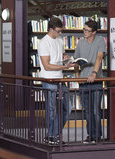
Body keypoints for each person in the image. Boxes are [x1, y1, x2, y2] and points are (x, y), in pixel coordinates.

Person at [38, 17, 73, 145]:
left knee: (67, 108)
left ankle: (53, 134)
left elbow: (60, 56)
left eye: (61, 31)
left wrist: (66, 59)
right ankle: (52, 136)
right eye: (58, 31)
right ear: (51, 29)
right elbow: (46, 65)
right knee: (51, 110)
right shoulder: (44, 43)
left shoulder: (59, 40)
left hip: (60, 79)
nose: (60, 34)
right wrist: (64, 67)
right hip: (49, 80)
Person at [74, 19, 107, 143]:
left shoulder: (100, 40)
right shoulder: (80, 43)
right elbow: (76, 61)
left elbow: (99, 57)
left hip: (96, 82)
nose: (84, 32)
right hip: (83, 82)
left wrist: (94, 73)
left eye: (87, 30)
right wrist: (77, 76)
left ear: (94, 32)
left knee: (95, 111)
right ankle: (90, 136)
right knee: (87, 112)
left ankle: (97, 136)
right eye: (84, 29)